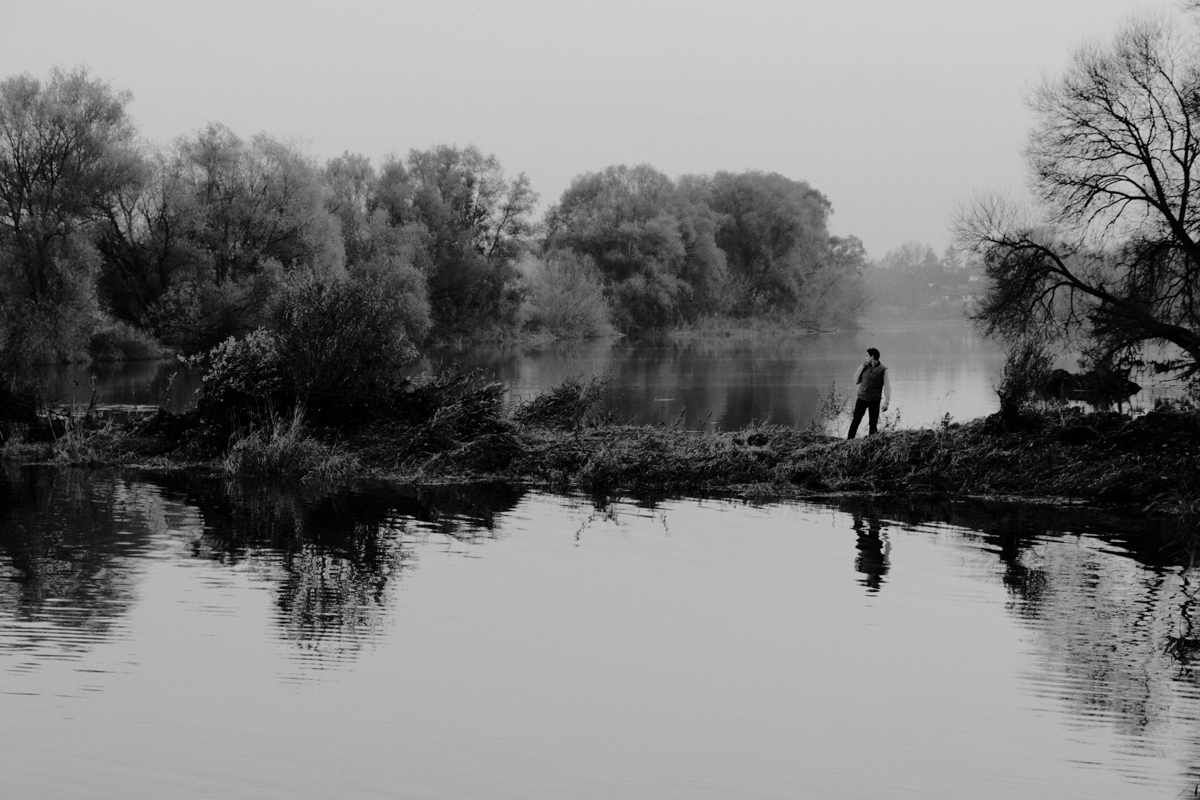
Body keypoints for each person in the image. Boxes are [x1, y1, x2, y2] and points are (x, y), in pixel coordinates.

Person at [847, 347, 890, 438]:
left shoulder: (883, 370)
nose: (865, 358)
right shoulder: (863, 367)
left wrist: (887, 401)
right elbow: (856, 381)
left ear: (872, 356)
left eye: (866, 356)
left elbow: (887, 386)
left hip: (874, 400)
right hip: (861, 399)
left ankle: (871, 443)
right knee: (855, 421)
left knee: (873, 424)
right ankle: (848, 442)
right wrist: (861, 368)